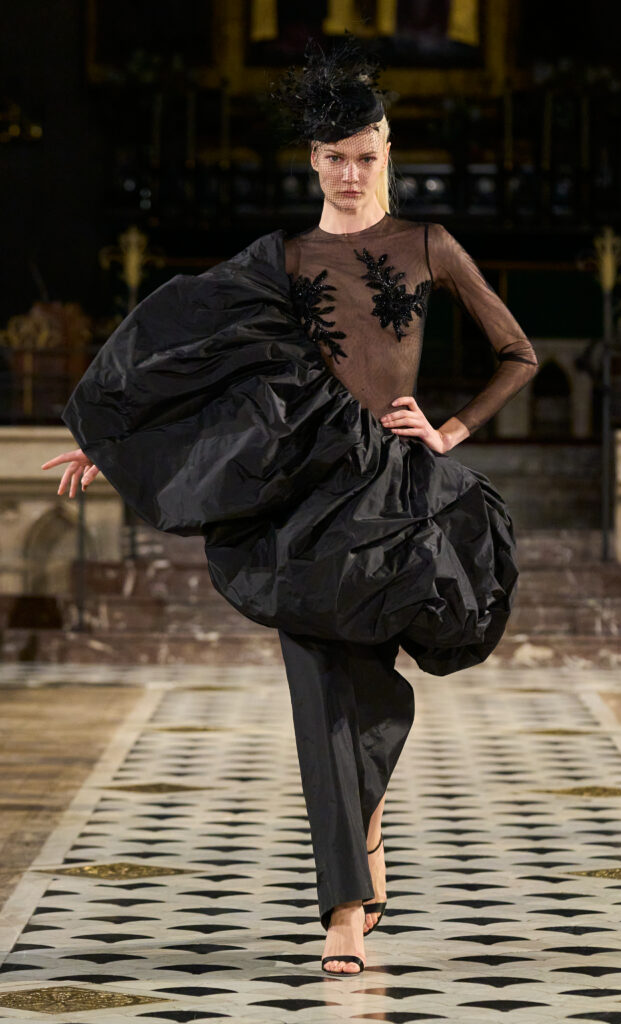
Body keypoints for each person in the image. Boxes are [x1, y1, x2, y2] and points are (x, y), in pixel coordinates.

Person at [41, 36, 538, 977]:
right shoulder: (280, 258)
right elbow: (183, 351)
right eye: (334, 157)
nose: (351, 173)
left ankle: (366, 815)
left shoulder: (427, 244)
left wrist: (450, 430)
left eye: (365, 155)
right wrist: (112, 443)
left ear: (387, 151)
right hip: (298, 501)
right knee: (318, 701)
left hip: (394, 497)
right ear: (312, 160)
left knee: (371, 692)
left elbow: (519, 354)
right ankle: (343, 910)